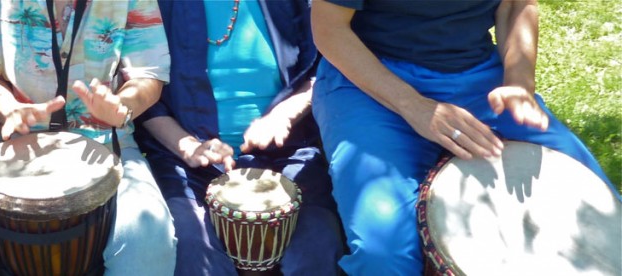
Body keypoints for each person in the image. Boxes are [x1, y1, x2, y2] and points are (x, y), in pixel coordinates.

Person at [311, 0, 618, 274]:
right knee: (383, 249)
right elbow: (330, 30)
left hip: (479, 77)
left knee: (607, 221)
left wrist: (519, 84)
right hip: (369, 82)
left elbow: (516, 5)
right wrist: (415, 107)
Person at [0, 0, 177, 274]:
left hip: (107, 140)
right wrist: (9, 108)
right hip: (4, 143)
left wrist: (120, 106)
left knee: (149, 239)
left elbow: (149, 75)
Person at [135, 0, 344, 275]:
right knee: (191, 251)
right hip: (186, 162)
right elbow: (142, 92)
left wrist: (284, 114)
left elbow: (325, 68)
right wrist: (187, 146)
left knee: (318, 245)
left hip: (285, 154)